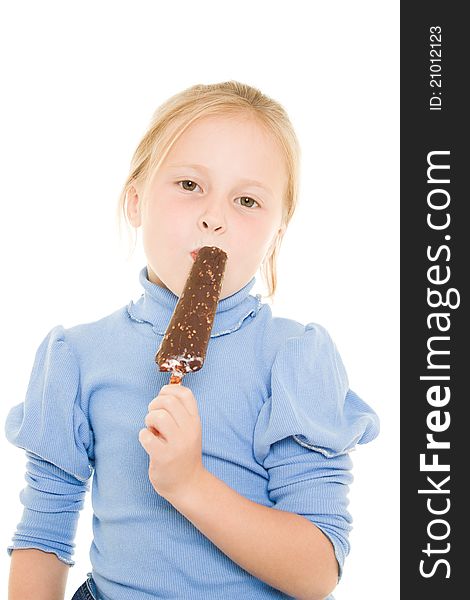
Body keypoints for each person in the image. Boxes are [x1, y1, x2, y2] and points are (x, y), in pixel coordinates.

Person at [5, 80, 379, 600]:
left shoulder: (294, 358)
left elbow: (316, 572)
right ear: (135, 201)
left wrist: (189, 484)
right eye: (189, 185)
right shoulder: (77, 355)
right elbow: (44, 534)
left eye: (247, 200)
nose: (215, 217)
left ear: (279, 229)